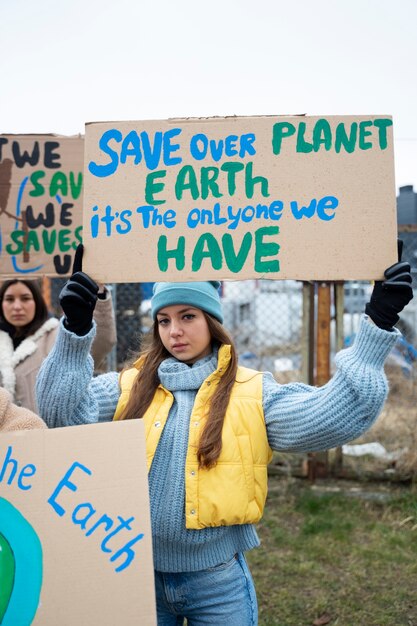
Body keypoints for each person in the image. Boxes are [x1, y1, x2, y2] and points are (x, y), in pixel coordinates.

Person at [35, 249, 413, 626]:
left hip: (216, 584)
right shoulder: (129, 387)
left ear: (212, 320)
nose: (175, 331)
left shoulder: (251, 392)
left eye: (187, 316)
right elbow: (61, 416)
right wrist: (75, 332)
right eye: (164, 320)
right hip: (136, 573)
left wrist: (376, 325)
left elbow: (338, 414)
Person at [0, 256, 116, 412]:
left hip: (47, 433)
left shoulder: (58, 335)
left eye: (25, 298)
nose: (17, 306)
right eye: (9, 299)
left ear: (38, 302)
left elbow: (100, 344)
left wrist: (98, 296)